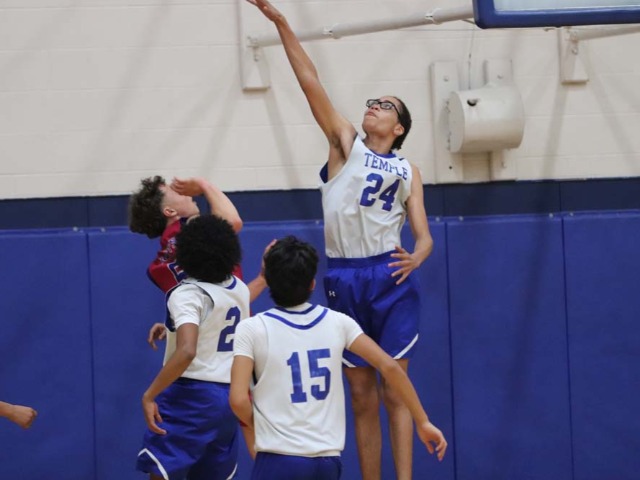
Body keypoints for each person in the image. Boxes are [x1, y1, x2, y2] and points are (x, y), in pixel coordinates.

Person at [247, 1, 435, 479]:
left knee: (396, 388)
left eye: (385, 105)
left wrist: (417, 256)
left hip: (391, 275)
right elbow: (310, 80)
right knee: (360, 394)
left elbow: (424, 236)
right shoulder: (344, 143)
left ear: (399, 128)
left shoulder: (408, 169)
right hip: (346, 274)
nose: (374, 106)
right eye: (372, 101)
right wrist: (281, 23)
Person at [230, 237, 445, 480]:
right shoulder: (338, 323)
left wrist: (264, 427)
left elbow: (238, 400)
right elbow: (390, 367)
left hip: (278, 458)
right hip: (327, 461)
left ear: (269, 281)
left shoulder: (251, 328)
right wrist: (423, 421)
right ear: (313, 283)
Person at [137, 215, 250, 480]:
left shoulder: (186, 293)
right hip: (229, 398)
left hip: (191, 396)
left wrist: (150, 395)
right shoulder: (240, 289)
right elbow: (215, 324)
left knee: (162, 473)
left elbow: (188, 350)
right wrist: (171, 328)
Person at [128, 175, 266, 301]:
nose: (187, 194)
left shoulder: (157, 267)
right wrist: (204, 185)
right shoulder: (194, 234)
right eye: (176, 191)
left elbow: (229, 303)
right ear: (170, 211)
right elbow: (233, 222)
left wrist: (262, 279)